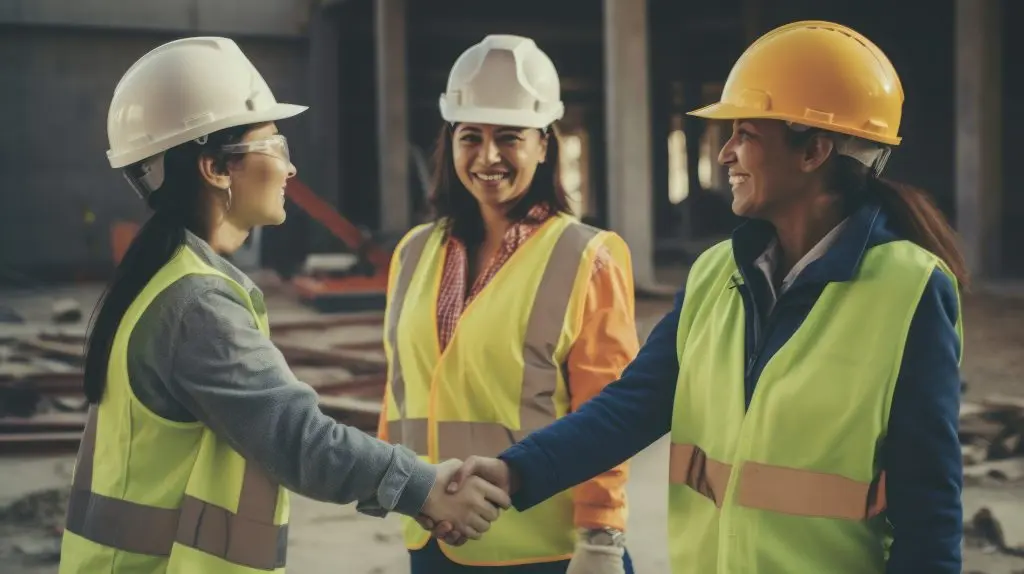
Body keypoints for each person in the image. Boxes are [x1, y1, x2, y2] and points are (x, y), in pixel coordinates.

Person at [435, 20, 968, 574]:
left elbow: (928, 510)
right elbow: (631, 407)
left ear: (813, 150)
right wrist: (516, 471)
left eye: (745, 134)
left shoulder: (909, 290)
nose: (725, 154)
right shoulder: (717, 274)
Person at [59, 36, 507, 574]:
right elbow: (298, 439)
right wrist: (423, 486)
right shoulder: (195, 304)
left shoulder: (165, 281)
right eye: (276, 147)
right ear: (216, 168)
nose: (290, 170)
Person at [378, 34, 638, 574]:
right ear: (449, 142)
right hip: (431, 538)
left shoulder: (587, 256)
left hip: (543, 547)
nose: (488, 156)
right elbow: (399, 391)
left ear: (544, 144)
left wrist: (602, 536)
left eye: (509, 137)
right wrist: (387, 482)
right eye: (470, 136)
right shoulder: (413, 253)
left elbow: (608, 413)